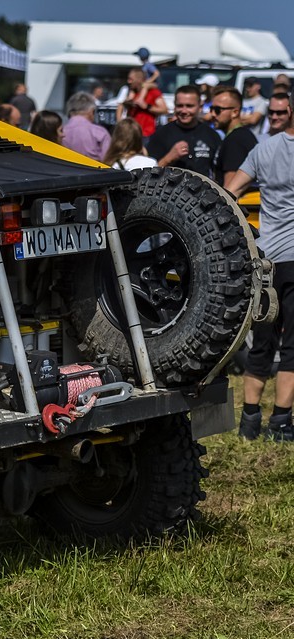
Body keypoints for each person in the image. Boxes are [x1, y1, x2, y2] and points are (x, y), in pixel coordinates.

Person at [224, 114, 294, 442]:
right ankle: (280, 423)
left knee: (262, 341)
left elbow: (229, 192)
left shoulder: (264, 149)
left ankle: (250, 419)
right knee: (292, 345)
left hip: (266, 259)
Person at [145, 84, 220, 179]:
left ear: (200, 107)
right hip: (169, 192)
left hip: (203, 192)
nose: (184, 111)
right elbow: (148, 175)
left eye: (189, 106)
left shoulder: (211, 135)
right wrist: (168, 158)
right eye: (180, 106)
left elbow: (218, 174)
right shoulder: (161, 134)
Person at [210, 86, 258, 186]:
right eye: (211, 109)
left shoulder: (235, 141)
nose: (213, 114)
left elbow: (230, 190)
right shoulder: (241, 135)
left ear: (235, 112)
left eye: (217, 110)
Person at [117, 67, 167, 144]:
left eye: (131, 79)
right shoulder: (131, 92)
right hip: (131, 133)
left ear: (139, 80)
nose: (128, 82)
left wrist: (147, 106)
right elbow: (121, 106)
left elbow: (164, 110)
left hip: (147, 134)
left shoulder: (153, 92)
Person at [62, 91, 111, 161]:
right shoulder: (100, 132)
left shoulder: (59, 132)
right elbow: (108, 160)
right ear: (92, 111)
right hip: (94, 170)